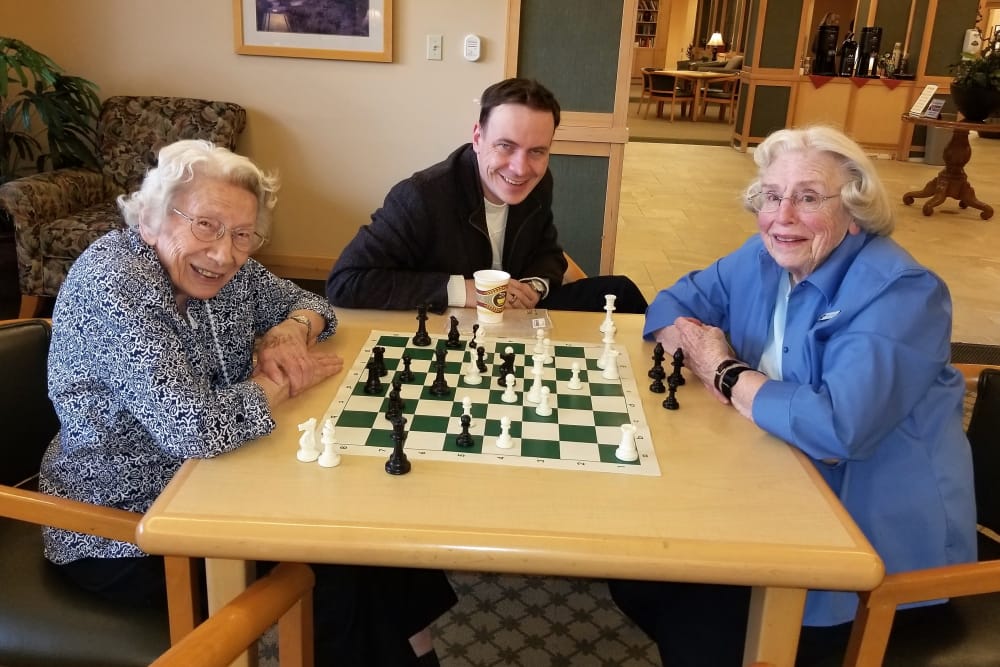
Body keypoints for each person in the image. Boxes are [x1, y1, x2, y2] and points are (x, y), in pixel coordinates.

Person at [38, 139, 456, 666]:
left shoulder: (228, 271)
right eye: (205, 225)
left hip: (217, 480)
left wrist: (289, 330)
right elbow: (197, 428)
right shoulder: (116, 282)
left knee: (365, 516)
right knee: (334, 561)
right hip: (127, 525)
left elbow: (315, 303)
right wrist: (279, 383)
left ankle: (415, 649)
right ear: (150, 219)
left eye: (243, 234)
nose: (224, 252)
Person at [609, 126, 977, 665]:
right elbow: (669, 304)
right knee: (638, 576)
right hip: (776, 487)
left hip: (870, 550)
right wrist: (696, 342)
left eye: (808, 198)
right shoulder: (763, 257)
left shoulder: (900, 293)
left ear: (854, 211)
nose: (782, 217)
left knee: (699, 628)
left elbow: (837, 429)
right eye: (772, 196)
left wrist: (726, 372)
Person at [325, 77, 648, 315]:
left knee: (621, 291)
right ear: (478, 137)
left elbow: (548, 252)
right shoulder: (420, 196)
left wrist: (535, 287)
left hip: (514, 314)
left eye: (537, 151)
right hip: (447, 318)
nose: (521, 169)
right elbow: (345, 282)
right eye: (505, 146)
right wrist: (463, 290)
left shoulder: (539, 181)